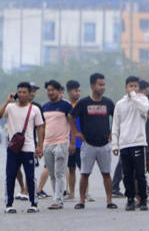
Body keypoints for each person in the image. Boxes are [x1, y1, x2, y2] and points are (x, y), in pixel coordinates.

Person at [0, 82, 45, 213]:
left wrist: (40, 146)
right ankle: (9, 204)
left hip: (28, 147)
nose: (21, 94)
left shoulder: (35, 109)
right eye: (20, 92)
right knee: (10, 175)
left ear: (29, 94)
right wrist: (7, 101)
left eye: (24, 92)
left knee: (30, 176)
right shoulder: (10, 107)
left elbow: (40, 127)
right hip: (13, 148)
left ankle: (34, 203)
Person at [70, 73, 117, 210]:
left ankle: (109, 200)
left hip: (104, 144)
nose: (102, 87)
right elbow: (70, 117)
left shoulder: (108, 103)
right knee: (84, 173)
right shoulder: (83, 103)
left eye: (103, 84)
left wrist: (113, 132)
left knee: (106, 173)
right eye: (99, 84)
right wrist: (76, 132)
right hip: (88, 144)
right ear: (92, 86)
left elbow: (116, 118)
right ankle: (82, 200)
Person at [111, 76, 149, 211]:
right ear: (126, 87)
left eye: (135, 86)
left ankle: (143, 199)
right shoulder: (120, 104)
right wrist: (115, 144)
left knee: (140, 174)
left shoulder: (142, 100)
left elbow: (145, 110)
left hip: (138, 142)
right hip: (125, 143)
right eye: (130, 86)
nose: (133, 89)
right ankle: (130, 199)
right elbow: (116, 125)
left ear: (138, 88)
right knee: (126, 174)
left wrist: (134, 97)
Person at [41, 80, 78, 210]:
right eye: (48, 90)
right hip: (47, 144)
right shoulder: (44, 107)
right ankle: (56, 196)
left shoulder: (66, 105)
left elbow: (72, 124)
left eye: (53, 90)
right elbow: (42, 127)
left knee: (60, 172)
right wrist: (40, 145)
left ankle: (58, 199)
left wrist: (73, 142)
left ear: (59, 91)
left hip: (61, 143)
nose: (50, 92)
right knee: (52, 173)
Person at [65, 80, 83, 200]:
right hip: (68, 141)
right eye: (75, 90)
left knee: (84, 169)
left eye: (79, 90)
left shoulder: (82, 105)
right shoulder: (65, 106)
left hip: (81, 142)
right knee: (71, 169)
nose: (78, 93)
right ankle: (71, 193)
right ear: (69, 92)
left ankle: (85, 193)